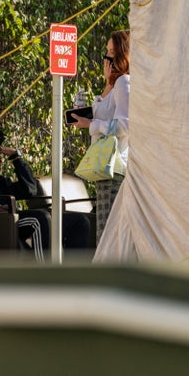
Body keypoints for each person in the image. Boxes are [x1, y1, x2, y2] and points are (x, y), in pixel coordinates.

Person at [0, 127, 90, 252]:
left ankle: (72, 275)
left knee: (79, 221)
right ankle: (44, 277)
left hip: (10, 219)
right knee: (39, 219)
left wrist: (16, 158)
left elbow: (29, 190)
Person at [71, 30, 130, 243]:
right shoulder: (114, 83)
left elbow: (126, 125)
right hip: (104, 169)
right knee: (104, 230)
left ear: (124, 55)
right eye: (107, 52)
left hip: (115, 167)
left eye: (112, 53)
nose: (107, 58)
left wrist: (92, 124)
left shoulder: (124, 82)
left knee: (108, 233)